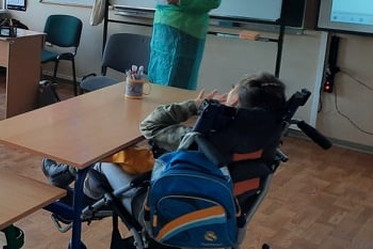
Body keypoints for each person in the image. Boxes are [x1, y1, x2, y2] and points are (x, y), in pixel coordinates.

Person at [82, 72, 287, 201]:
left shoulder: (204, 140)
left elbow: (149, 125)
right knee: (132, 157)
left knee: (102, 162)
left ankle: (81, 200)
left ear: (233, 104)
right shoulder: (265, 140)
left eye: (230, 92)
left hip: (168, 207)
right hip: (225, 209)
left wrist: (195, 105)